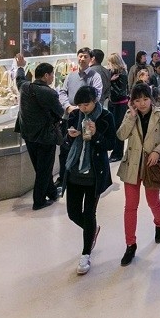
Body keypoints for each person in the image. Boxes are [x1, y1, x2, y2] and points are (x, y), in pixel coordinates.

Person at [116, 83, 160, 266]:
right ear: (132, 101)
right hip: (132, 166)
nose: (142, 103)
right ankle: (130, 245)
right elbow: (120, 135)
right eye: (137, 100)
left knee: (152, 201)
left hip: (151, 166)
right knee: (130, 206)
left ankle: (159, 223)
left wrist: (157, 152)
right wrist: (131, 117)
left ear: (151, 98)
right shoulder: (130, 115)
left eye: (145, 99)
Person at [63, 85, 114, 275]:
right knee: (73, 212)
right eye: (80, 105)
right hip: (75, 171)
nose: (83, 108)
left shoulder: (105, 116)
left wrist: (95, 135)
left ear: (95, 101)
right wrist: (70, 137)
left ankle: (85, 254)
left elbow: (111, 144)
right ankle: (92, 230)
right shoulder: (75, 115)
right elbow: (65, 141)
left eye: (87, 104)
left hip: (95, 173)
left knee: (89, 212)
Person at [14, 58, 62, 210]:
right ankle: (39, 201)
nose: (53, 77)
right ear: (47, 75)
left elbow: (19, 78)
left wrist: (20, 66)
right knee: (44, 169)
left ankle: (52, 193)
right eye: (52, 75)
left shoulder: (24, 86)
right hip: (45, 137)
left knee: (41, 167)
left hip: (28, 135)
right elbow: (59, 112)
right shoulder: (49, 93)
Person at [57, 47, 103, 191]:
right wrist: (68, 107)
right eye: (80, 56)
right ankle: (64, 176)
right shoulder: (70, 76)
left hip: (87, 118)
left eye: (85, 57)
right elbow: (63, 92)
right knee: (65, 147)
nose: (82, 59)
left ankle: (84, 173)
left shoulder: (95, 76)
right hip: (69, 116)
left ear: (91, 59)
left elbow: (97, 95)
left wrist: (82, 107)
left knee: (85, 146)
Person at [106, 52, 130, 162]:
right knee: (112, 128)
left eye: (109, 62)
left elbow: (121, 92)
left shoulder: (122, 74)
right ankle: (115, 152)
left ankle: (118, 153)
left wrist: (111, 82)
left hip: (120, 104)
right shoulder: (112, 73)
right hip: (113, 103)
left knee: (118, 129)